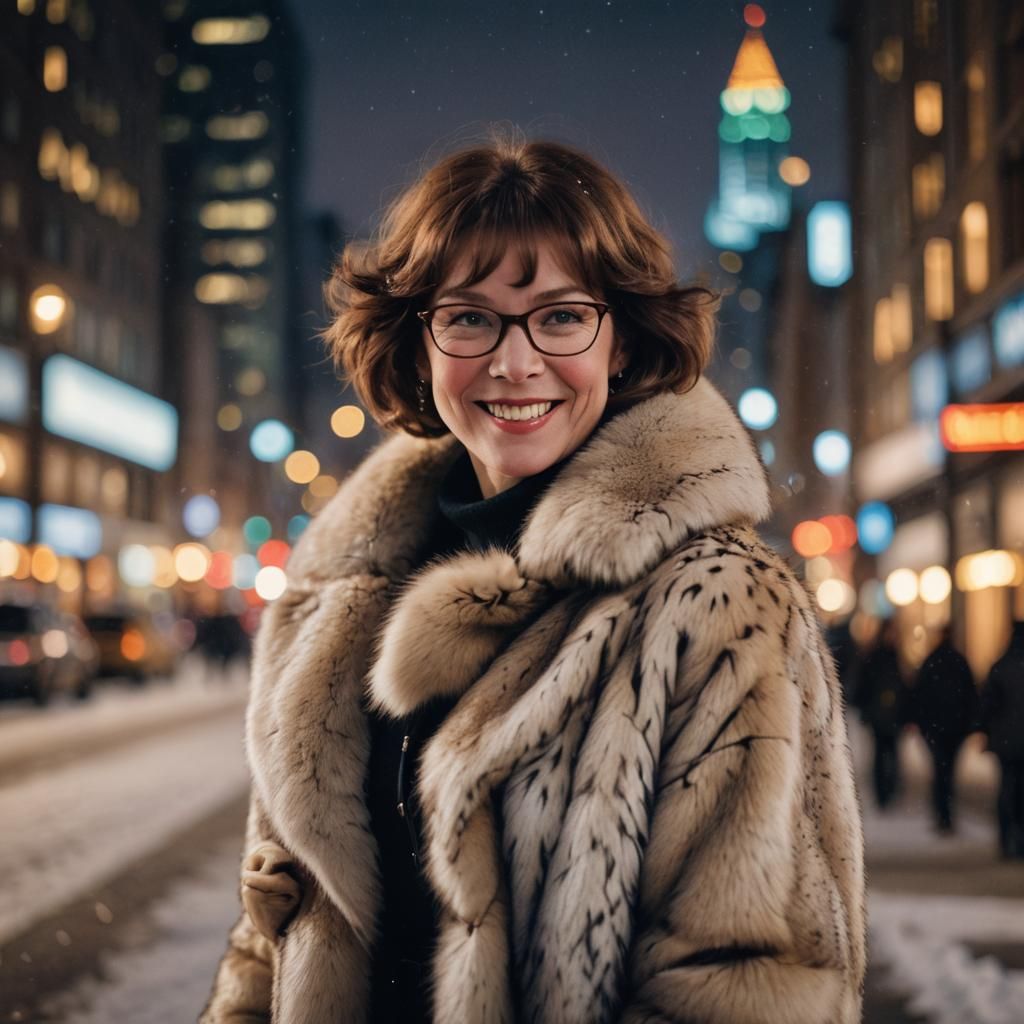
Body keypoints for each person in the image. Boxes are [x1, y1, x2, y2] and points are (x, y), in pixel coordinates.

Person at [201, 135, 865, 1024]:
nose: (515, 363)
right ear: (420, 341)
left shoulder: (710, 606)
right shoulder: (335, 597)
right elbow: (264, 951)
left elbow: (743, 989)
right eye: (470, 318)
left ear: (620, 341)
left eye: (559, 317)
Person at [909, 627, 979, 833]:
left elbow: (919, 694)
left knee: (940, 770)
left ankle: (942, 814)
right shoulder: (959, 662)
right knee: (948, 771)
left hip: (936, 728)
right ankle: (946, 814)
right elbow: (971, 695)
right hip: (954, 727)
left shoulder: (931, 662)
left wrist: (922, 722)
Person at [853, 618, 907, 810]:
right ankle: (883, 793)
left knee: (889, 754)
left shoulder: (892, 656)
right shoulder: (878, 656)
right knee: (881, 754)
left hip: (890, 716)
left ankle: (889, 790)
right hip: (880, 715)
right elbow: (863, 685)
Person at [981, 620, 1024, 859]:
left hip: (1006, 742)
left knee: (1007, 789)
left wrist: (986, 730)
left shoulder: (1001, 666)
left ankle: (1007, 839)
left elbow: (988, 705)